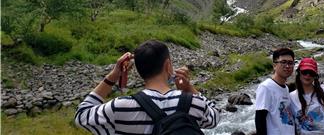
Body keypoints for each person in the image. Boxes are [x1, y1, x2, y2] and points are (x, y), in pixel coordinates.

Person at [75, 40, 220, 134]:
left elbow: (81, 115)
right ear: (168, 66)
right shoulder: (194, 103)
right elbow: (215, 116)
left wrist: (114, 75)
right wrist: (189, 88)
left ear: (138, 70)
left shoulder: (120, 107)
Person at [255, 47, 296, 135]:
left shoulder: (286, 88)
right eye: (283, 62)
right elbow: (259, 120)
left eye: (290, 63)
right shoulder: (266, 87)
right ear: (274, 65)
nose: (287, 66)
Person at [291, 57, 324, 134]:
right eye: (305, 72)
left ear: (315, 75)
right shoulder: (291, 97)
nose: (308, 75)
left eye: (311, 73)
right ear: (299, 73)